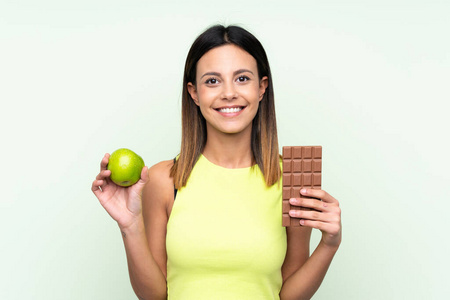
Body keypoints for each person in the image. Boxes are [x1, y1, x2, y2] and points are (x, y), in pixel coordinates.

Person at [92, 24, 342, 300]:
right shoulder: (164, 179)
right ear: (194, 93)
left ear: (262, 87)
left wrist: (329, 244)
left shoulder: (293, 179)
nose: (228, 93)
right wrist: (130, 226)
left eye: (242, 78)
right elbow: (153, 296)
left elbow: (289, 296)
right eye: (212, 81)